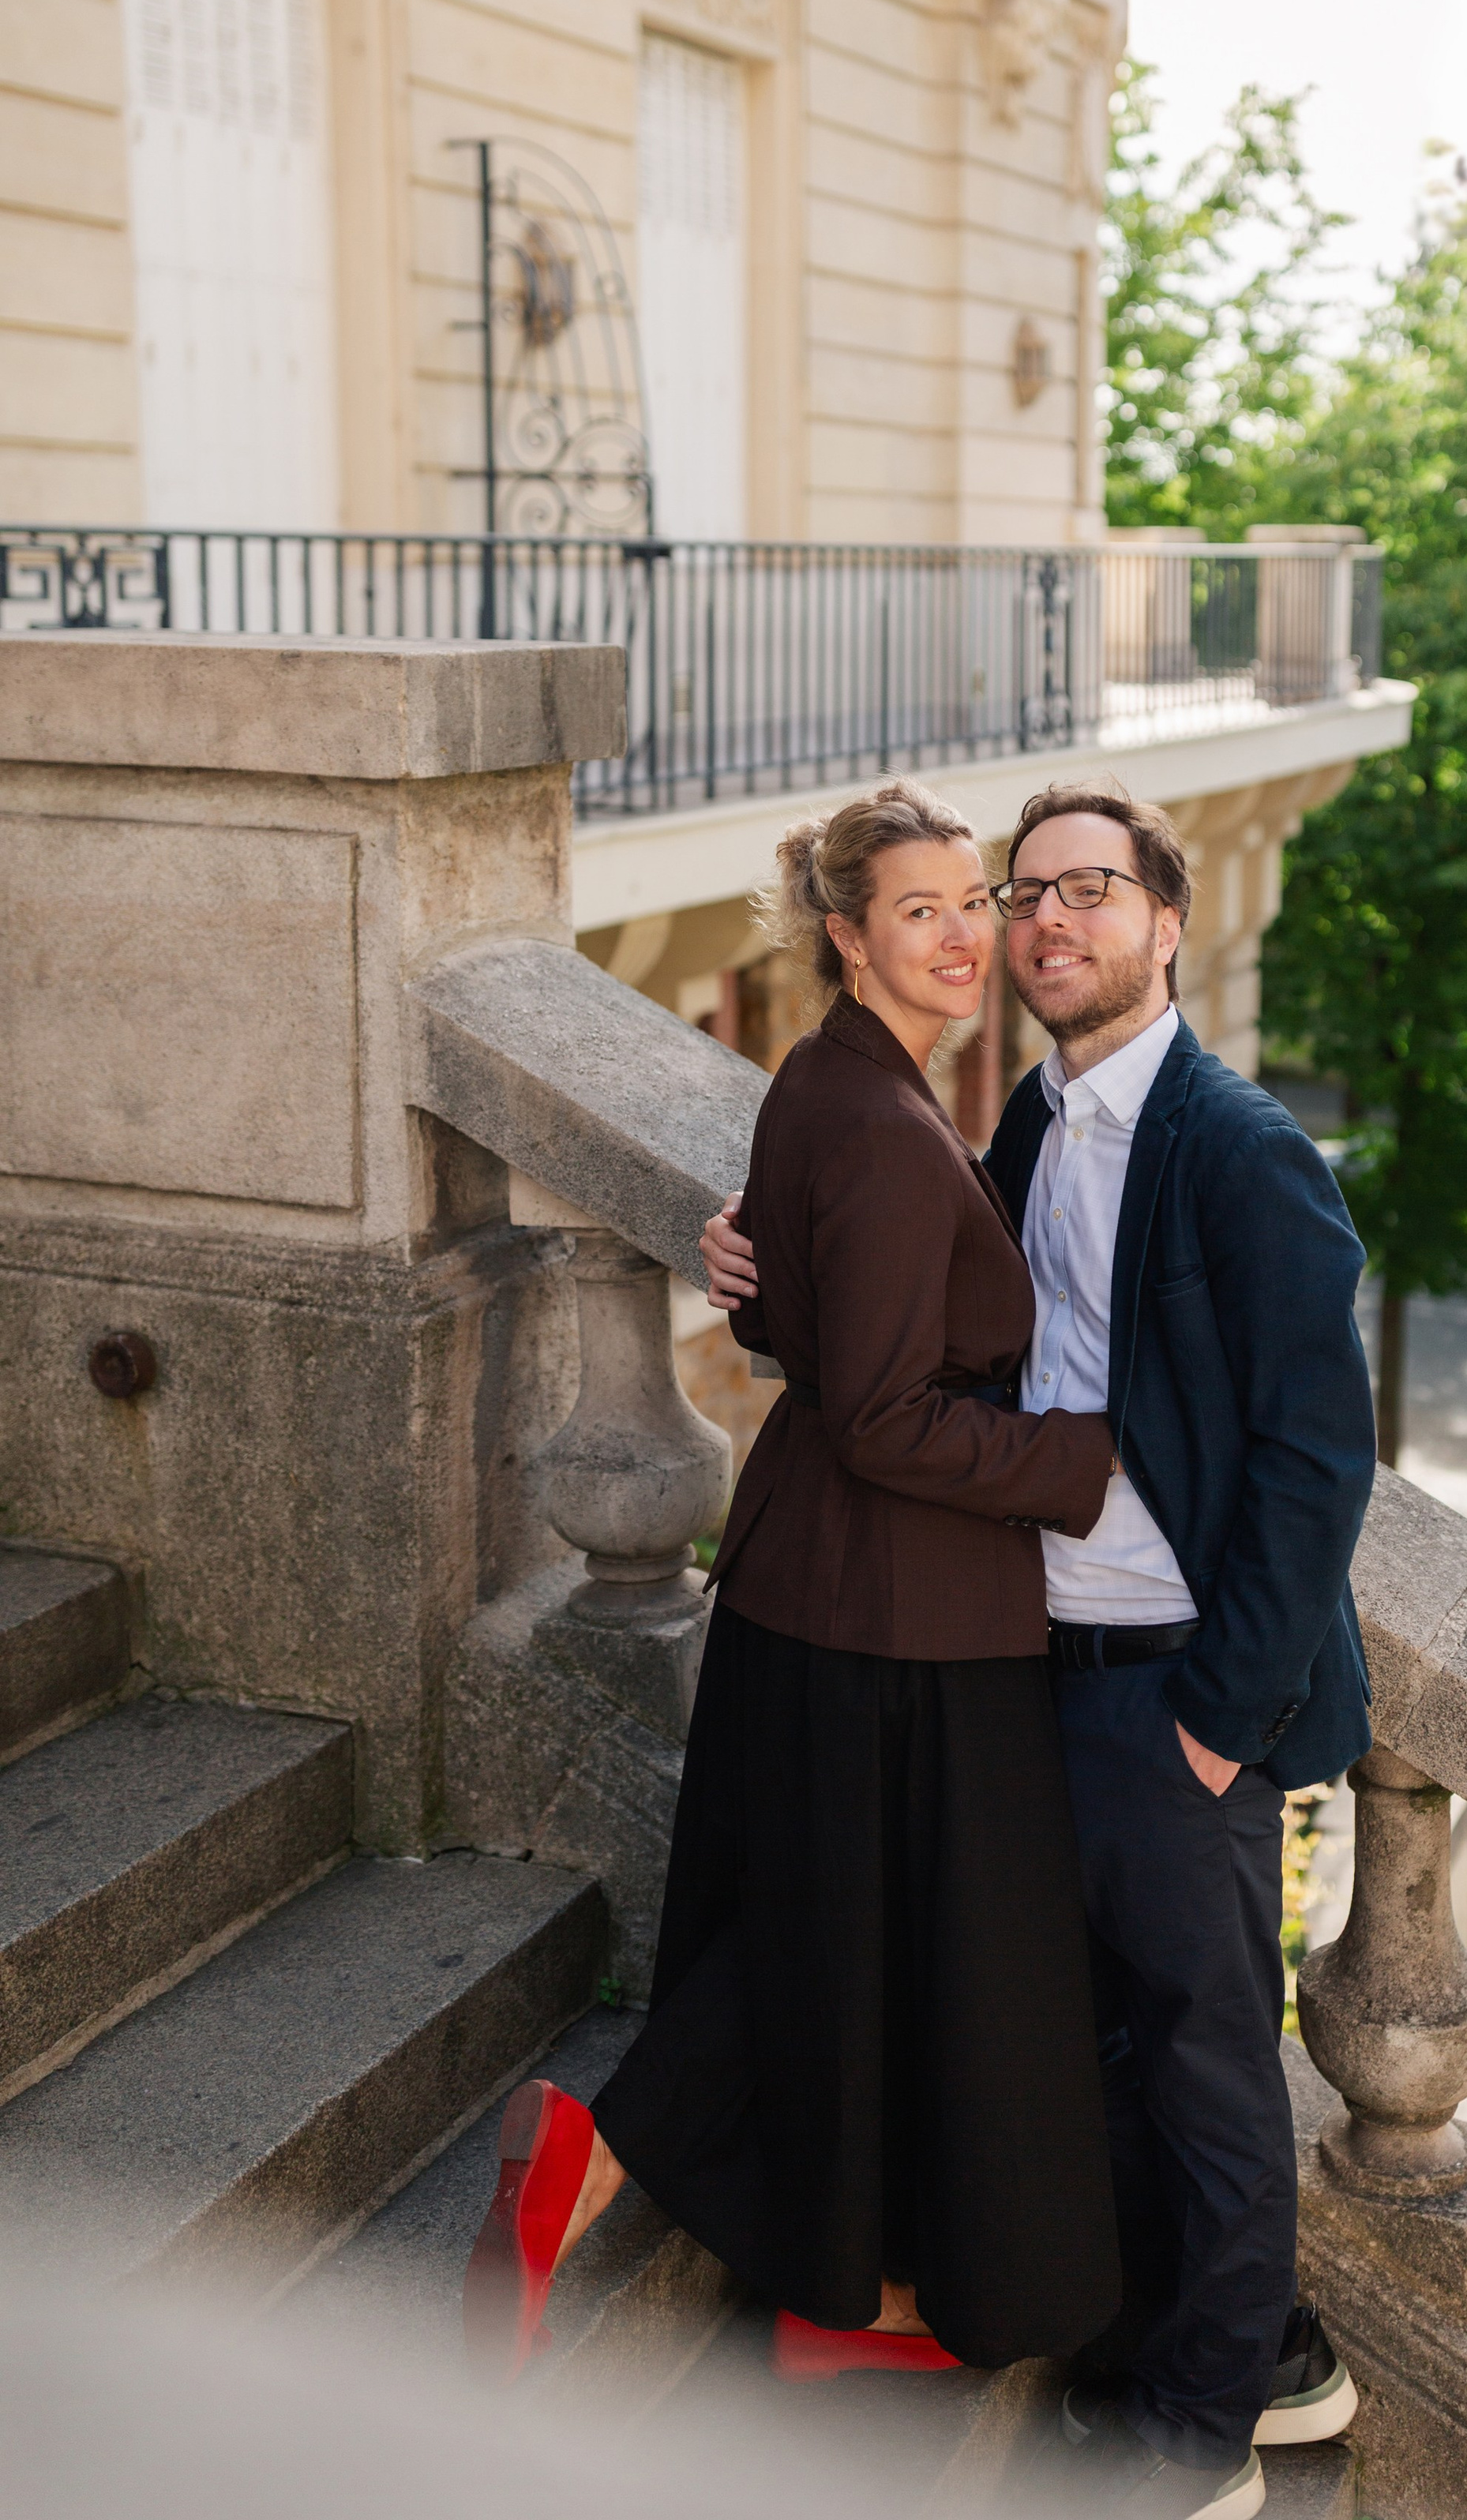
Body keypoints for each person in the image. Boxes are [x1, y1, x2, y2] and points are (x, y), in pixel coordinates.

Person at [704, 781, 1378, 2520]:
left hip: (1173, 1686)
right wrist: (759, 1281)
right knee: (1083, 2056)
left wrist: (1224, 1718)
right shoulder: (1018, 1113)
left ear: (1168, 918)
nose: (1052, 917)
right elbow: (913, 1312)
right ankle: (1197, 2347)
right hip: (1024, 1669)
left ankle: (1201, 2433)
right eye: (1031, 891)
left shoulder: (1238, 1145)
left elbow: (1320, 1455)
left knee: (1212, 2066)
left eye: (1098, 887)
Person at [462, 782, 1123, 2387]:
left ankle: (851, 2290)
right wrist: (1091, 1462)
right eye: (923, 910)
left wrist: (763, 1298)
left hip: (827, 1586)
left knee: (852, 1948)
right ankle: (608, 2163)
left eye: (972, 901)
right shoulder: (882, 1125)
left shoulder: (827, 1084)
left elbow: (812, 1326)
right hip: (888, 1611)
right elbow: (893, 1411)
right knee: (844, 1951)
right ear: (846, 935)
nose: (967, 934)